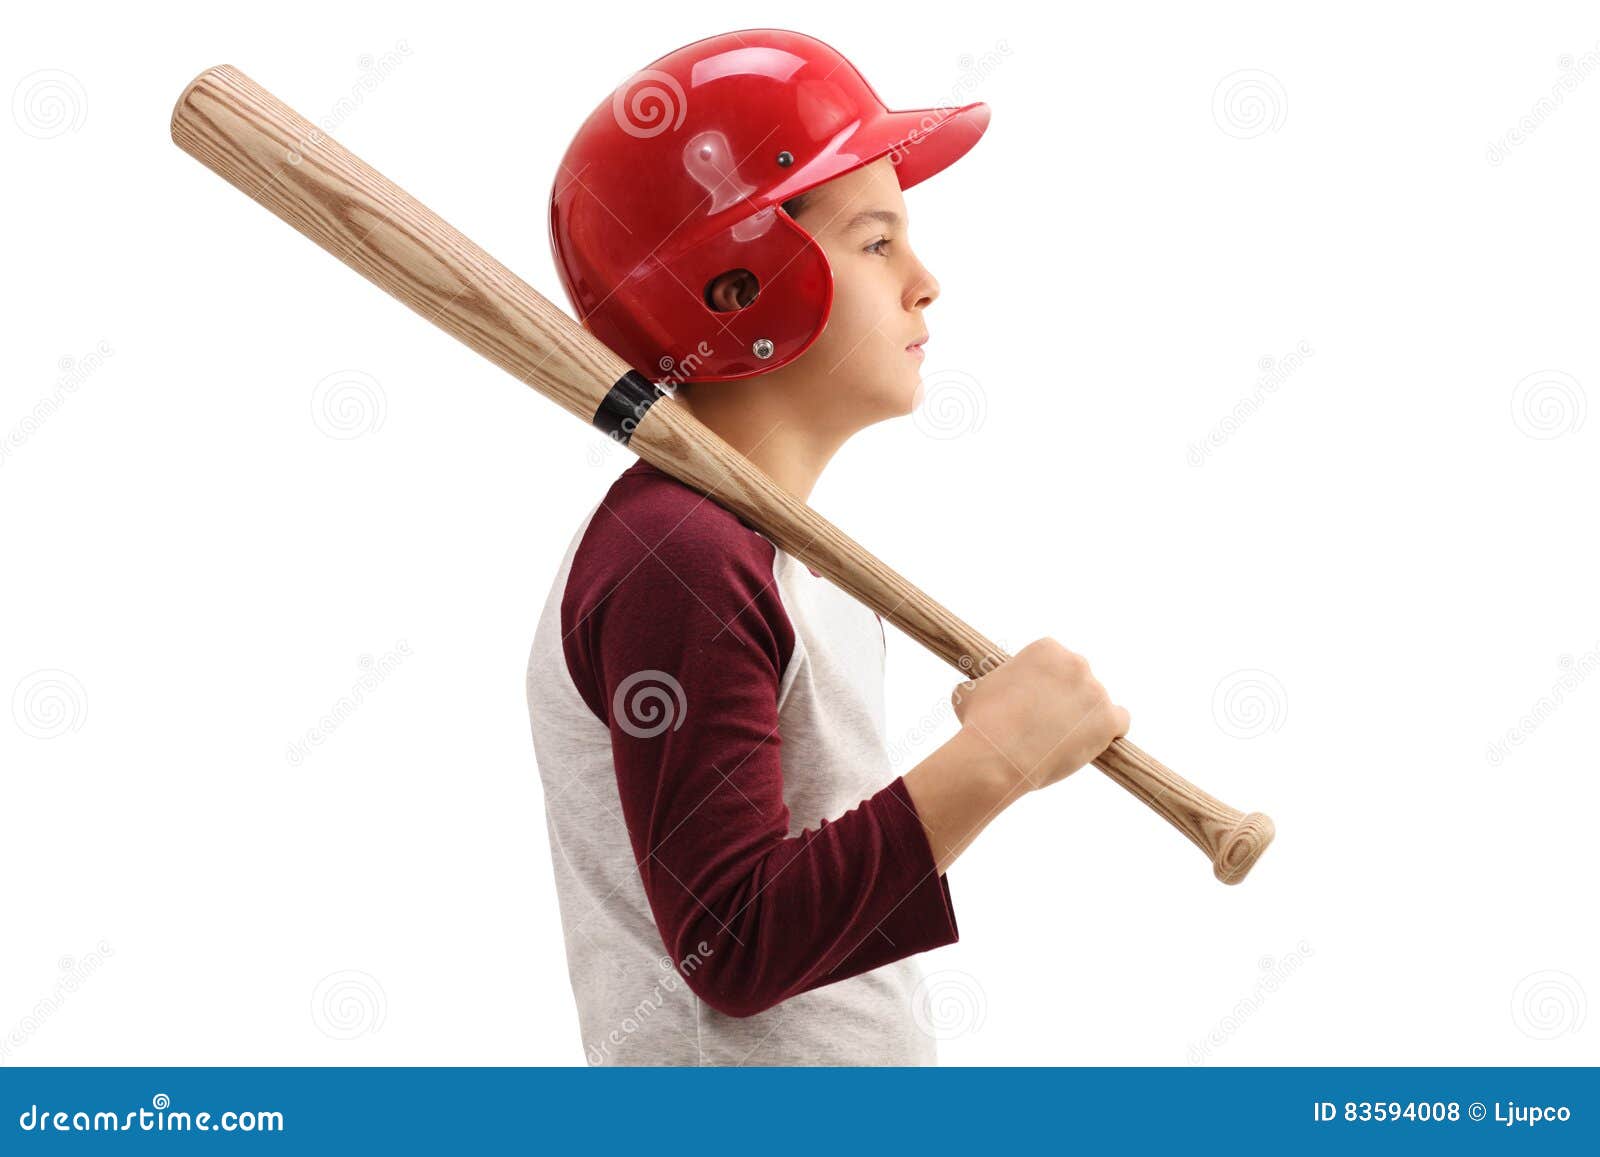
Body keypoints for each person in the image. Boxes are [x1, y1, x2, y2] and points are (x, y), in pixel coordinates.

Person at [526, 28, 1129, 1066]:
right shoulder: (681, 554)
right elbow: (734, 938)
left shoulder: (771, 549)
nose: (925, 281)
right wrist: (994, 760)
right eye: (876, 239)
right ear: (738, 287)